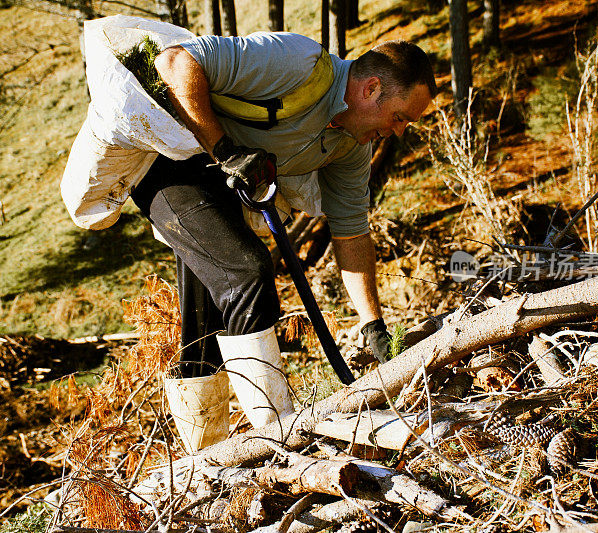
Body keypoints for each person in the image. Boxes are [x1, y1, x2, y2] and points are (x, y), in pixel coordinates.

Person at [131, 31, 437, 452]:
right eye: (401, 117)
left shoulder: (349, 146)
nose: (399, 132)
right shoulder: (297, 63)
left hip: (215, 183)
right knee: (247, 275)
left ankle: (206, 457)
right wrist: (226, 150)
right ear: (372, 89)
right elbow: (174, 63)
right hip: (168, 160)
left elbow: (351, 232)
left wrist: (373, 327)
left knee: (204, 319)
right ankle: (278, 440)